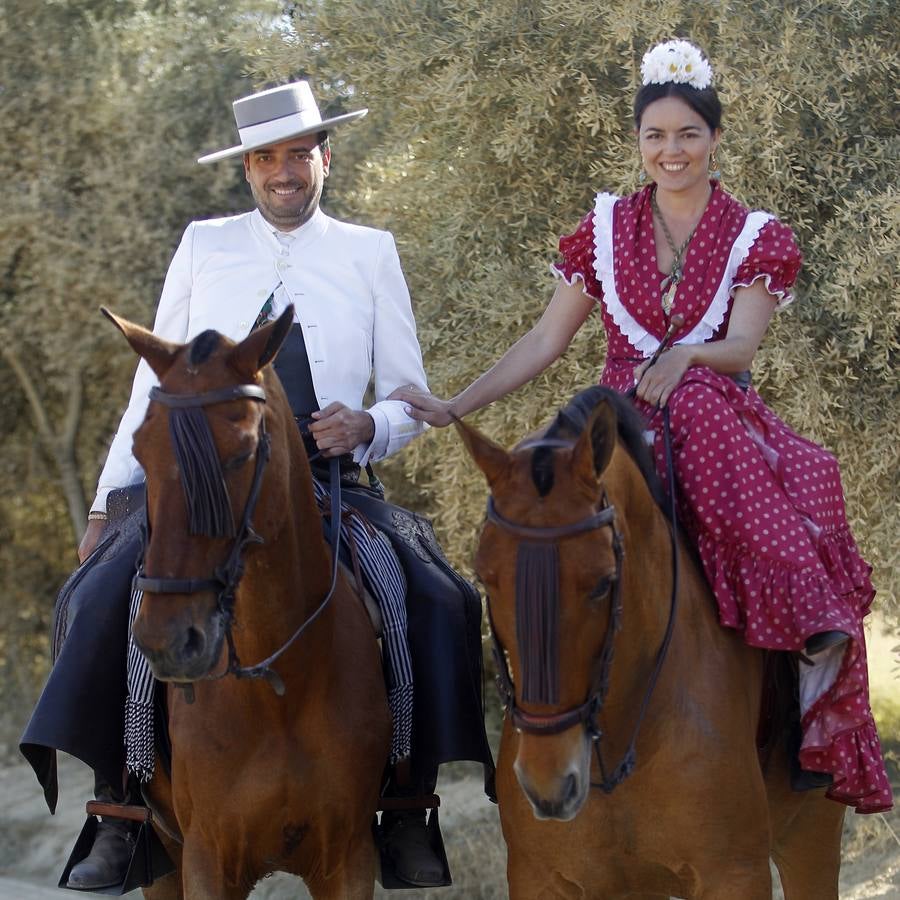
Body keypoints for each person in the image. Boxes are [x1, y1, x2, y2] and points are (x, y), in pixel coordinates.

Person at [391, 39, 892, 815]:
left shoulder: (754, 234)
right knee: (539, 492)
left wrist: (686, 354)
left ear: (714, 138)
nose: (671, 150)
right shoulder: (605, 228)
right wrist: (457, 405)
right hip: (617, 408)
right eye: (655, 135)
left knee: (799, 466)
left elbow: (742, 347)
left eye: (688, 133)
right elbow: (546, 340)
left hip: (709, 400)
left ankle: (803, 630)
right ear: (637, 141)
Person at [21, 80, 493, 891]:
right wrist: (106, 500)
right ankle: (121, 808)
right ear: (247, 168)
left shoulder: (370, 251)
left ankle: (409, 804)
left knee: (434, 594)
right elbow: (152, 387)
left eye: (299, 155)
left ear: (325, 159)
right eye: (267, 158)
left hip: (330, 482)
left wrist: (369, 424)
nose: (284, 171)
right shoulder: (204, 244)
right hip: (203, 487)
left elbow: (408, 393)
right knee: (98, 596)